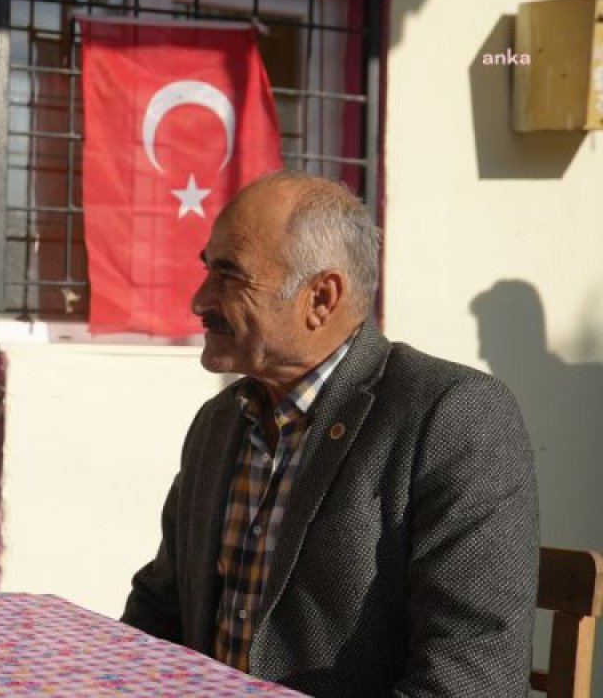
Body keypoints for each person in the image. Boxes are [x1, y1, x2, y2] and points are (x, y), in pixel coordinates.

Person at [121, 171, 538, 696]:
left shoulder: (452, 416)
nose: (200, 300)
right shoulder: (220, 422)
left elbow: (474, 676)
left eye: (230, 275)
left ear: (321, 298)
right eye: (208, 270)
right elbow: (160, 610)